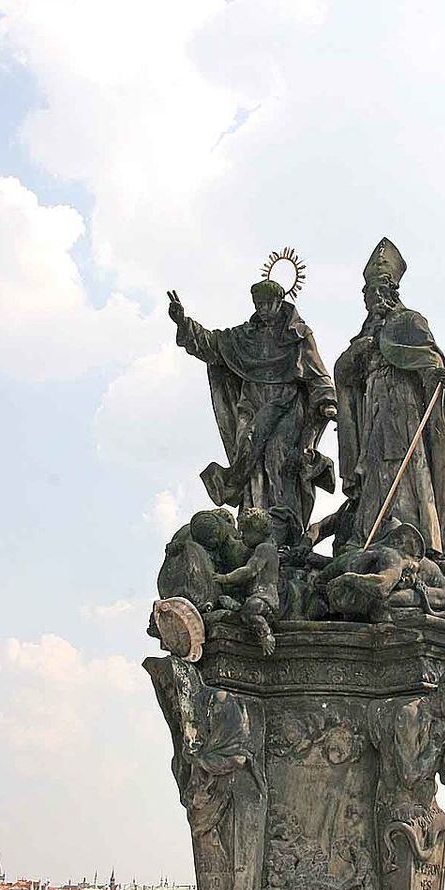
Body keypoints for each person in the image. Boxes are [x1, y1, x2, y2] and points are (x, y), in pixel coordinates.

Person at [169, 280, 337, 530]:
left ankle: (284, 524)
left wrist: (326, 401)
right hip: (252, 403)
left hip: (286, 403)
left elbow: (317, 369)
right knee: (247, 453)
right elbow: (213, 344)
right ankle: (253, 521)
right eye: (258, 305)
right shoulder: (245, 336)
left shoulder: (298, 334)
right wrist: (184, 323)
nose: (262, 309)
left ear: (279, 302)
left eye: (266, 304)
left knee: (277, 456)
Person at [334, 238, 445, 558]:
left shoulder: (409, 321)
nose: (371, 300)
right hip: (373, 407)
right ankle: (373, 531)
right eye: (367, 295)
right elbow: (345, 374)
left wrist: (434, 375)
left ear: (390, 293)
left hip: (403, 409)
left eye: (376, 293)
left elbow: (430, 359)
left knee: (405, 466)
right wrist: (358, 352)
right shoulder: (364, 335)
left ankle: (412, 531)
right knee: (373, 466)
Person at [213, 507, 280, 653]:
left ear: (258, 529)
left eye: (245, 532)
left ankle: (266, 634)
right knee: (248, 606)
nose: (242, 536)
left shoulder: (265, 548)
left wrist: (225, 578)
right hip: (257, 597)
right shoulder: (262, 548)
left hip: (264, 599)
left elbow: (249, 571)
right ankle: (239, 607)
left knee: (249, 610)